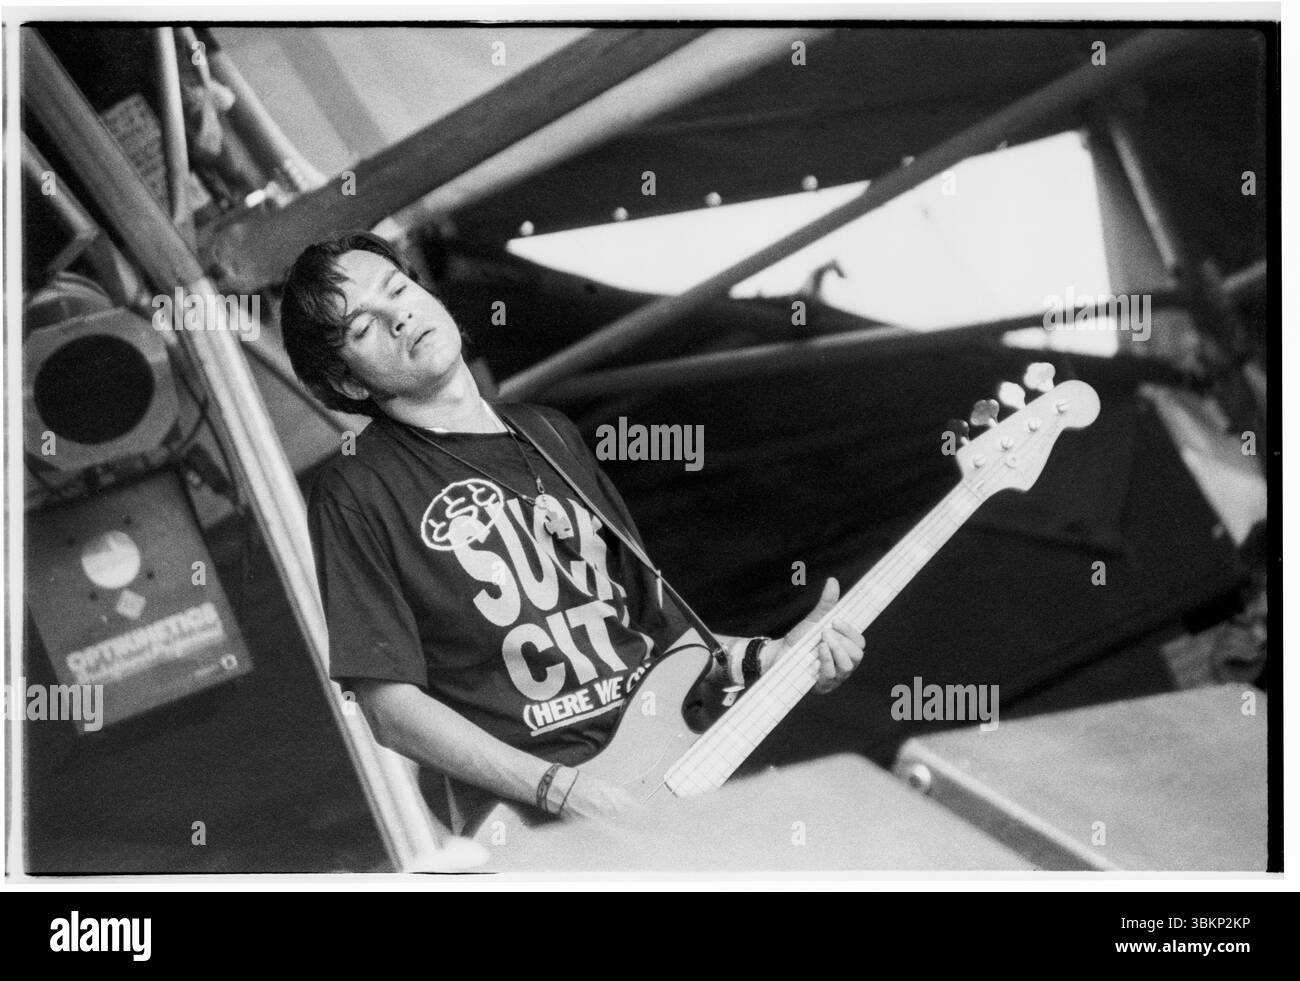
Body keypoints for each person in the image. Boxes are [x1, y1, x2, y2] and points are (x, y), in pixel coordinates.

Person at [280, 230, 865, 830]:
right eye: (363, 328)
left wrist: (770, 657)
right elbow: (389, 708)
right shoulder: (355, 489)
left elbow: (657, 628)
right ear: (350, 383)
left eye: (398, 290)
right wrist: (562, 791)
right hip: (540, 818)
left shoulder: (550, 433)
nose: (397, 317)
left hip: (671, 772)